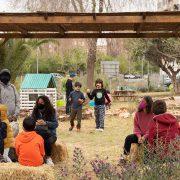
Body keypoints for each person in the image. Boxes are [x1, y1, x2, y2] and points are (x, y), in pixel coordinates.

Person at [31, 96, 58, 166]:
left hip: (50, 133)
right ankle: (36, 157)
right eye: (38, 102)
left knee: (47, 141)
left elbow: (56, 124)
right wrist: (34, 123)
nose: (40, 104)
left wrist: (45, 123)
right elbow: (30, 122)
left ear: (46, 103)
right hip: (38, 132)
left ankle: (48, 157)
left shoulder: (52, 111)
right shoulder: (35, 111)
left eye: (42, 102)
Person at [0, 69, 20, 138]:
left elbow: (17, 101)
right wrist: (7, 116)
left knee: (12, 138)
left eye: (7, 75)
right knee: (3, 139)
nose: (5, 77)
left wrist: (15, 115)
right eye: (3, 75)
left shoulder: (12, 87)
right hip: (2, 119)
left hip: (13, 119)